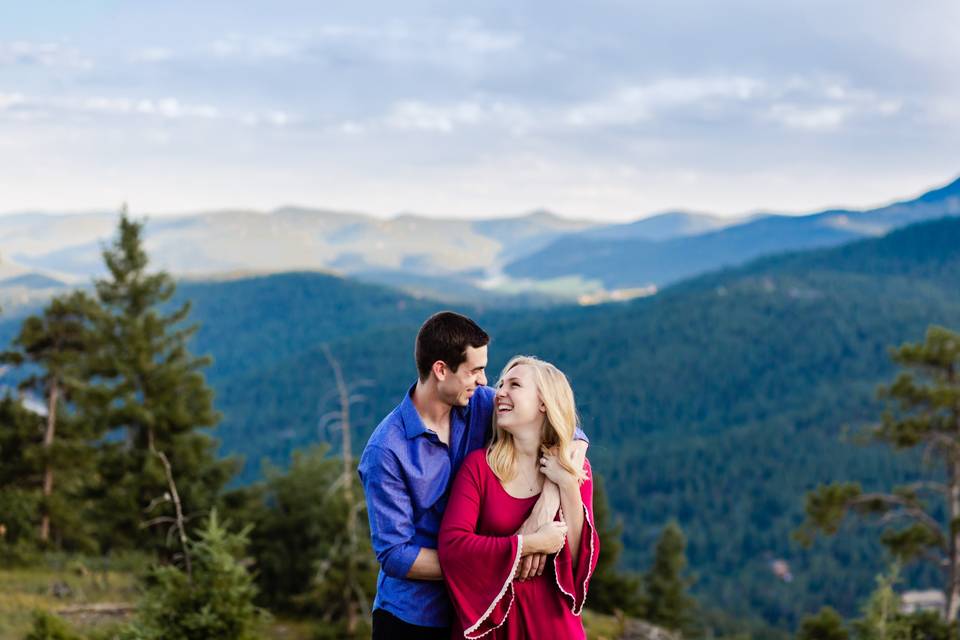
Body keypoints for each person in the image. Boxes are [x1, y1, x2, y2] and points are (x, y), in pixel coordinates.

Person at [358, 312, 588, 639]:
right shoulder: (387, 450)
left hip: (479, 612)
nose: (484, 381)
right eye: (475, 370)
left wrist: (572, 461)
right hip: (415, 617)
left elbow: (554, 420)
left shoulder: (480, 404)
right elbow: (396, 555)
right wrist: (502, 560)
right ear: (441, 370)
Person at [438, 355, 599, 639]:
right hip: (492, 624)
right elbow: (453, 547)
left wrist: (567, 485)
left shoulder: (574, 467)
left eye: (515, 385)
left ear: (543, 403)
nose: (500, 392)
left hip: (552, 626)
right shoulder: (479, 468)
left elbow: (578, 561)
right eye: (501, 385)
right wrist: (527, 544)